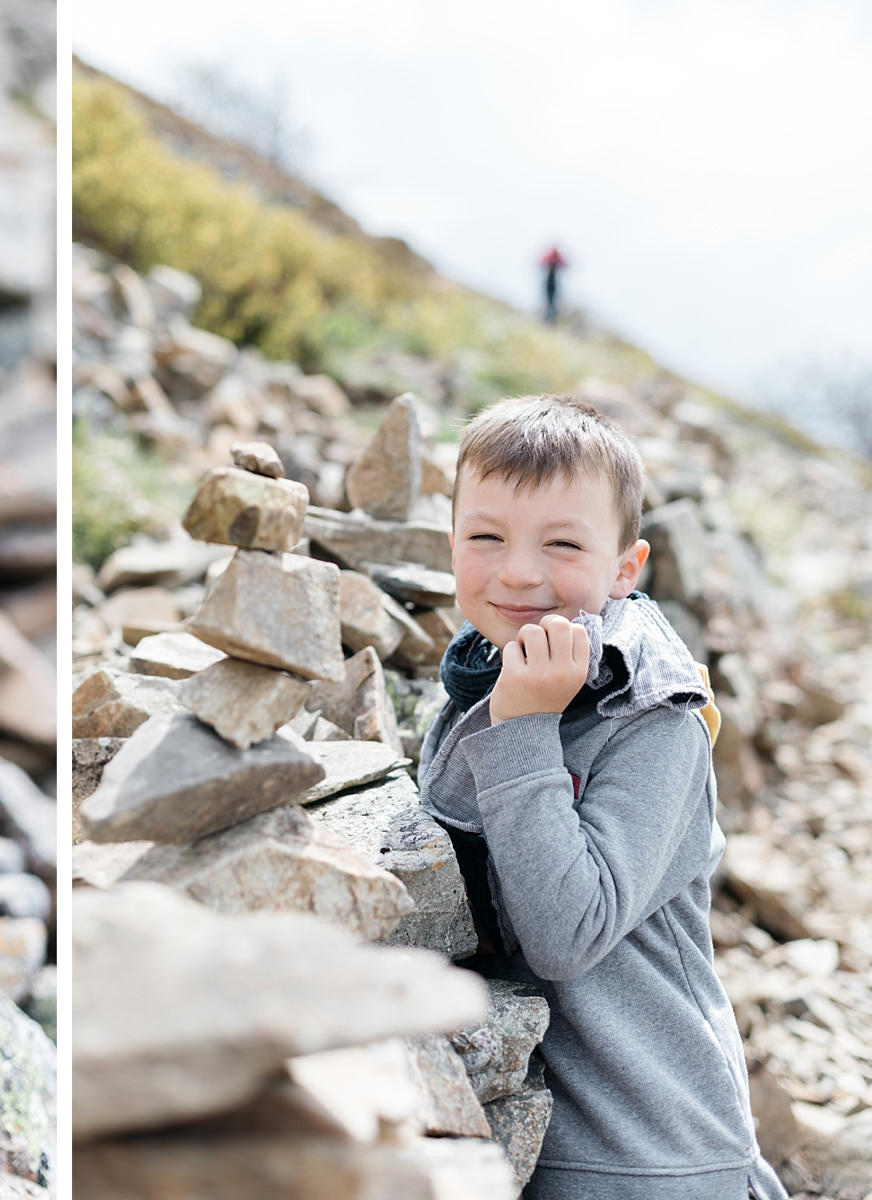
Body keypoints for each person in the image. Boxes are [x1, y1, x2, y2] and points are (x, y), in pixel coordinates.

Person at [418, 394, 786, 1200]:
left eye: (562, 544)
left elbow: (566, 934)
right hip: (529, 1138)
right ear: (450, 545)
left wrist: (524, 726)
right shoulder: (483, 670)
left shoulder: (653, 718)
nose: (519, 571)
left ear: (626, 568)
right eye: (486, 537)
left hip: (650, 1153)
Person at [540, 245, 567, 324]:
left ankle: (550, 319)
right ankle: (548, 319)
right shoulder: (554, 256)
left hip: (551, 282)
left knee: (551, 301)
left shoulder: (552, 256)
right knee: (550, 301)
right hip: (550, 281)